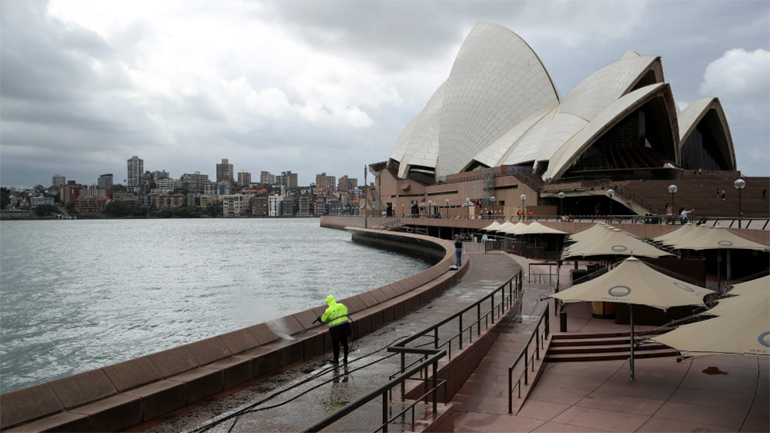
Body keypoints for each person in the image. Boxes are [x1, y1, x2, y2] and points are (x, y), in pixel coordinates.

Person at [318, 295, 352, 364]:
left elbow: (323, 320)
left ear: (328, 302)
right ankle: (345, 359)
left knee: (335, 344)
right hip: (344, 326)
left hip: (335, 329)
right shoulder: (341, 305)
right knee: (344, 343)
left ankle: (336, 359)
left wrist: (319, 318)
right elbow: (346, 311)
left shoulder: (328, 310)